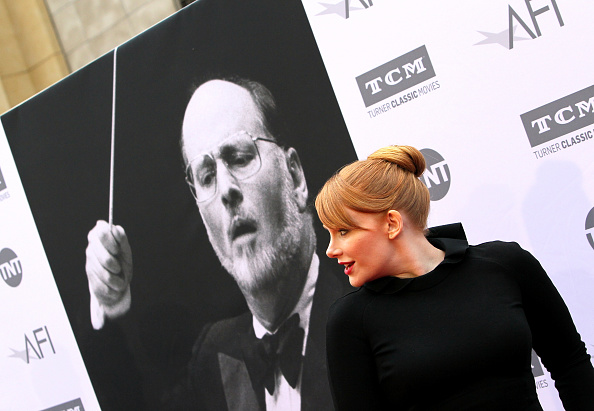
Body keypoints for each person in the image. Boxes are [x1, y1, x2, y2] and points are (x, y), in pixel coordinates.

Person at [85, 77, 348, 410]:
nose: (225, 190)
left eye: (239, 157)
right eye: (206, 176)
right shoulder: (212, 357)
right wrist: (110, 305)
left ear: (295, 177)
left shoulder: (372, 321)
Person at [314, 145, 594, 410]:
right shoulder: (350, 320)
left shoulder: (506, 265)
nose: (330, 250)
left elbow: (571, 365)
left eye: (343, 231)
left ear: (392, 223)